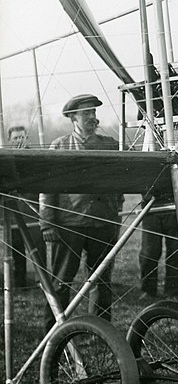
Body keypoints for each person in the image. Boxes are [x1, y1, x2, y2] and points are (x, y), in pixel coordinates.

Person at [39, 94, 123, 331]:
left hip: (103, 224)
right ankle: (53, 331)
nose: (91, 117)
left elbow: (119, 184)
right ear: (72, 117)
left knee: (101, 281)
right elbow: (47, 187)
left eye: (94, 112)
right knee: (61, 281)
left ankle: (101, 331)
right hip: (69, 225)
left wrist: (115, 215)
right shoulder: (59, 146)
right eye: (86, 113)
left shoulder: (109, 145)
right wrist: (47, 223)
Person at [3, 126, 45, 288]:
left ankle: (41, 280)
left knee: (37, 249)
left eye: (22, 137)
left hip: (33, 212)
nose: (19, 141)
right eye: (15, 138)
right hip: (13, 211)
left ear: (26, 138)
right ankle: (20, 281)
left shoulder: (35, 157)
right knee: (17, 249)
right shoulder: (5, 158)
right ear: (9, 141)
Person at [139, 192, 178, 300]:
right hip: (151, 209)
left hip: (173, 209)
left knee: (175, 252)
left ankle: (172, 292)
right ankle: (149, 290)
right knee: (149, 253)